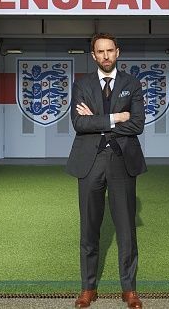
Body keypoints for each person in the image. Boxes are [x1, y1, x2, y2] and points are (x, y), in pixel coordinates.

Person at [66, 33, 147, 308]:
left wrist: (97, 120)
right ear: (93, 55)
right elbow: (79, 123)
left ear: (118, 52)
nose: (105, 56)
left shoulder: (132, 84)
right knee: (89, 228)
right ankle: (88, 288)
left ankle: (129, 289)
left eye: (110, 50)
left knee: (126, 230)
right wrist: (115, 118)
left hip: (122, 161)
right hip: (90, 161)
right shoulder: (82, 85)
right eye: (100, 51)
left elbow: (137, 124)